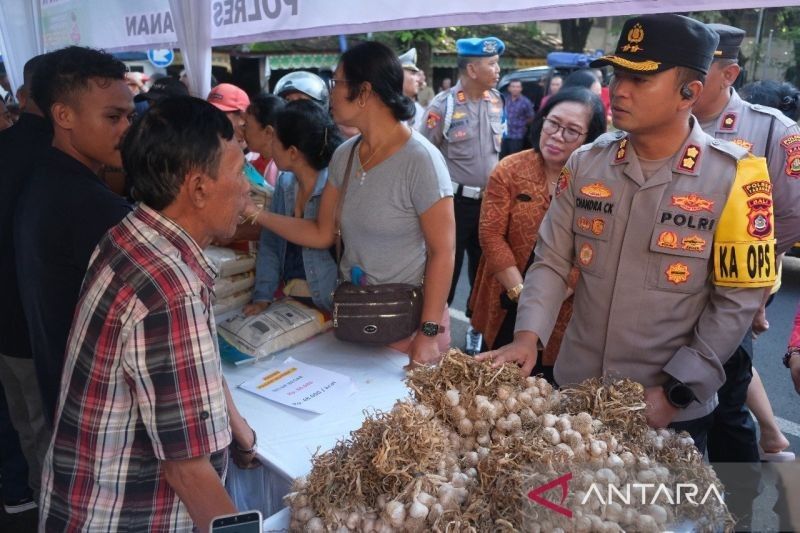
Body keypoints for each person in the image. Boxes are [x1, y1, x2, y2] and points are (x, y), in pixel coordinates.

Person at [481, 15, 775, 459]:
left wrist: (677, 392)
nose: (619, 89)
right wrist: (528, 336)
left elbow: (737, 301)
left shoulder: (736, 177)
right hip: (576, 396)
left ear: (688, 94)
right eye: (619, 74)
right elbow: (553, 260)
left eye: (640, 78)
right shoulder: (587, 164)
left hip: (667, 411)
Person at [39, 96, 258, 531]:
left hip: (79, 498)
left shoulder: (133, 233)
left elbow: (190, 372)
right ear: (197, 188)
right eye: (238, 172)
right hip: (118, 517)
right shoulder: (169, 291)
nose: (248, 187)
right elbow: (188, 471)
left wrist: (236, 424)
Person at [242, 41, 455, 367]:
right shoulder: (345, 155)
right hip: (357, 316)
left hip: (408, 325)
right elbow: (321, 232)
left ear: (364, 92)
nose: (331, 94)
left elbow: (443, 252)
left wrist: (428, 333)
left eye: (337, 83)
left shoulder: (422, 161)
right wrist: (255, 214)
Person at [693, 22, 800, 465]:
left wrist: (757, 285)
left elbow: (791, 217)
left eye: (698, 69)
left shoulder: (771, 131)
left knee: (726, 407)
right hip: (660, 291)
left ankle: (736, 508)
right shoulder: (667, 123)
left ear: (728, 74)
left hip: (727, 296)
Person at [15, 46, 134, 426]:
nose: (126, 130)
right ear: (63, 115)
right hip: (100, 413)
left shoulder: (46, 179)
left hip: (65, 394)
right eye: (113, 117)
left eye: (130, 116)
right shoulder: (91, 207)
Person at [470, 87, 606, 380]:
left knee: (546, 388)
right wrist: (523, 294)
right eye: (553, 123)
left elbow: (593, 250)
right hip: (506, 293)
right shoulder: (510, 169)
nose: (557, 136)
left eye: (572, 131)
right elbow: (491, 235)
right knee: (494, 380)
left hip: (564, 306)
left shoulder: (598, 185)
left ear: (590, 139)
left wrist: (547, 300)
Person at [421, 36, 505, 355]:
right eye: (491, 64)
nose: (497, 70)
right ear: (471, 68)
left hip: (490, 203)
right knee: (447, 272)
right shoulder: (442, 106)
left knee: (483, 274)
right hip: (453, 205)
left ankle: (476, 331)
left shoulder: (496, 100)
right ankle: (434, 334)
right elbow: (423, 156)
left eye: (497, 63)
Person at [0, 53, 53, 511]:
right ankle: (46, 506)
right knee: (43, 425)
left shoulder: (9, 145)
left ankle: (30, 497)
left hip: (8, 321)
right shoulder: (55, 158)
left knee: (24, 420)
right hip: (37, 322)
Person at [244, 100, 342, 315]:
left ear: (293, 152)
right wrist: (263, 296)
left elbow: (321, 235)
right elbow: (271, 243)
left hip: (331, 301)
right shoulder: (285, 183)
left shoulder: (333, 186)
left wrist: (256, 213)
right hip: (292, 299)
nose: (270, 145)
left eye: (275, 139)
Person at [243, 94, 286, 188]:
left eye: (246, 125)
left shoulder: (285, 171)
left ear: (268, 132)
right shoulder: (248, 159)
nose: (243, 130)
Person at [208, 83, 251, 150]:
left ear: (242, 118)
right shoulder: (201, 147)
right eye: (208, 112)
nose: (212, 118)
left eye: (220, 114)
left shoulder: (258, 156)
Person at [500, 79, 534, 158]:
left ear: (521, 89)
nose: (515, 89)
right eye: (513, 86)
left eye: (517, 87)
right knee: (501, 158)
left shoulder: (526, 102)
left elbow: (531, 117)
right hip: (504, 135)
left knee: (513, 159)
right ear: (509, 88)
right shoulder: (505, 99)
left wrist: (521, 124)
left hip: (517, 136)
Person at [398, 48, 424, 130]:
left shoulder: (418, 110)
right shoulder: (384, 108)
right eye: (413, 73)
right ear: (399, 76)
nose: (418, 79)